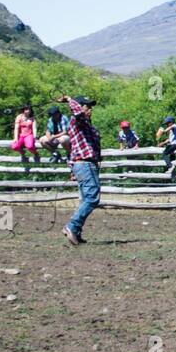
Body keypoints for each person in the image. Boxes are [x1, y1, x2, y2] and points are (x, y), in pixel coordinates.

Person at [57, 94, 101, 245]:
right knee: (92, 198)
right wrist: (70, 100)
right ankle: (72, 226)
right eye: (87, 106)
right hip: (85, 164)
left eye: (90, 107)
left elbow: (77, 149)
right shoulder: (77, 121)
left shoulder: (88, 127)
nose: (90, 110)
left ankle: (76, 233)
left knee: (85, 199)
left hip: (85, 165)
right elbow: (78, 113)